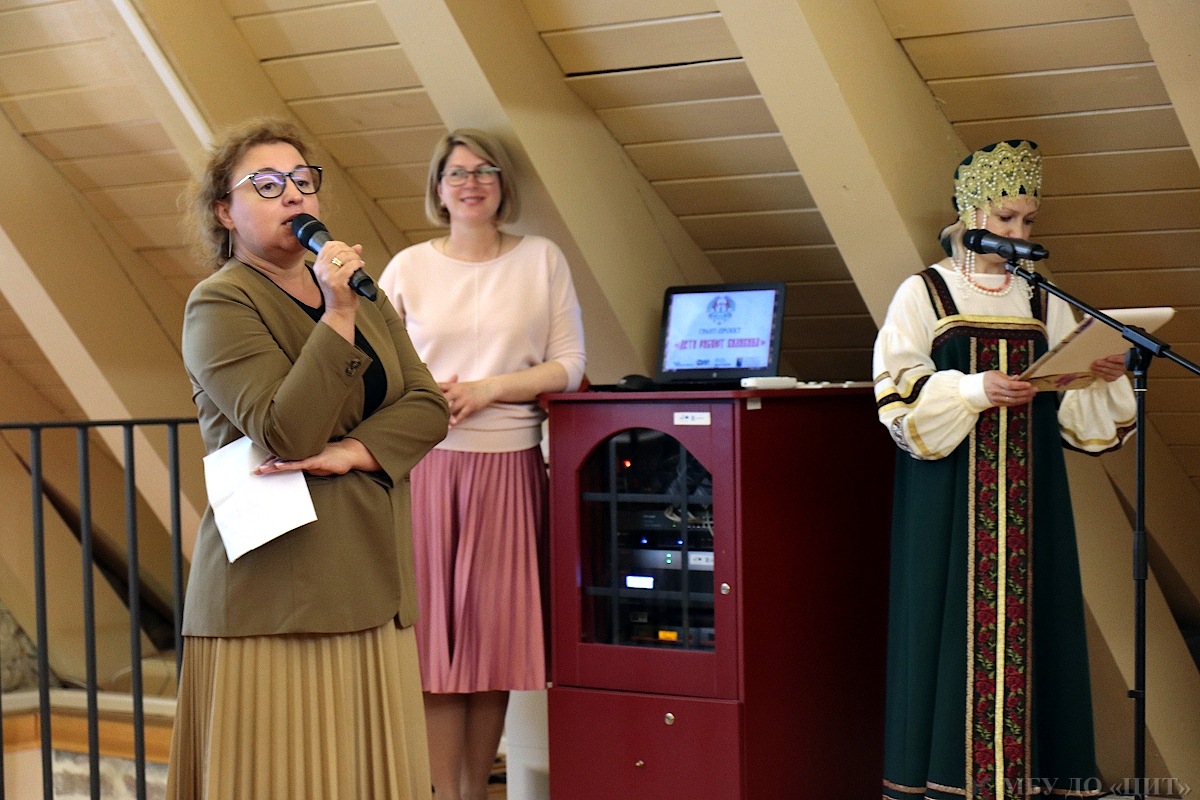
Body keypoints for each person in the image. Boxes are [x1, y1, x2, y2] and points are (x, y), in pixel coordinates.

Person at [168, 117, 450, 800]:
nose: (293, 194)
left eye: (302, 180)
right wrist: (337, 315)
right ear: (224, 211)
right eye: (267, 184)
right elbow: (286, 431)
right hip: (278, 598)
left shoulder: (356, 289)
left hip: (371, 582)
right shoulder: (221, 301)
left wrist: (355, 450)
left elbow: (428, 406)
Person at [873, 140, 1135, 799]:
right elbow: (898, 393)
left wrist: (1098, 374)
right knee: (948, 633)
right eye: (1006, 219)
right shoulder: (924, 292)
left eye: (1028, 221)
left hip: (1031, 498)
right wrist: (972, 389)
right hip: (949, 500)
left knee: (1037, 629)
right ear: (971, 214)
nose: (1018, 234)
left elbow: (1077, 417)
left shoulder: (1040, 297)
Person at [378, 129, 586, 800]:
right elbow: (369, 364)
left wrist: (489, 389)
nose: (472, 183)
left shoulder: (542, 259)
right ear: (438, 189)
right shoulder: (407, 267)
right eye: (457, 173)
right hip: (428, 470)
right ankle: (446, 794)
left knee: (494, 649)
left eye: (486, 171)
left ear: (504, 185)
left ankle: (471, 792)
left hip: (511, 468)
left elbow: (570, 365)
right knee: (435, 656)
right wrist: (424, 398)